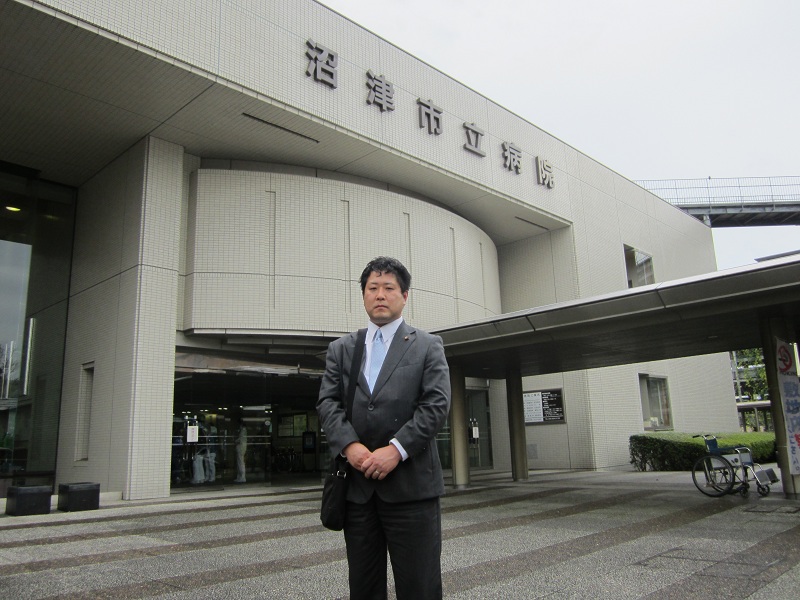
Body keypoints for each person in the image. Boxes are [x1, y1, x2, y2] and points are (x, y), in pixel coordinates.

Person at [317, 256, 451, 600]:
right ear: (363, 295)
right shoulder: (342, 349)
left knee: (420, 586)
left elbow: (436, 405)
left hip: (412, 489)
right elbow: (328, 403)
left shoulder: (427, 345)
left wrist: (396, 450)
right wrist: (349, 446)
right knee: (363, 587)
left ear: (404, 296)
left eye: (389, 288)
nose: (380, 294)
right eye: (372, 288)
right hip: (358, 491)